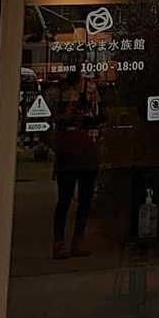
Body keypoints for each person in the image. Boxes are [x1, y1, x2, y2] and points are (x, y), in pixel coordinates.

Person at [52, 76, 101, 259]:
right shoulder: (62, 97)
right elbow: (58, 122)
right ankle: (59, 242)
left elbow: (97, 120)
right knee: (64, 200)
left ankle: (76, 240)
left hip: (86, 157)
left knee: (84, 201)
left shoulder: (91, 98)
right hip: (69, 159)